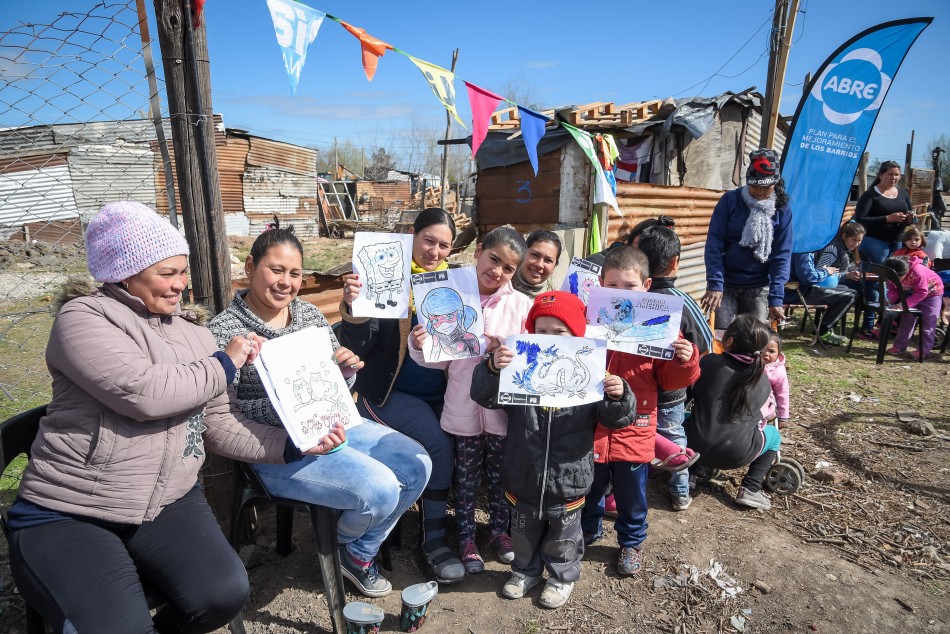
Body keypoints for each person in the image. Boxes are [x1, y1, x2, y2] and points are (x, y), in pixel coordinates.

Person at [6, 201, 342, 633]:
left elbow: (219, 423)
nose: (181, 285)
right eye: (167, 273)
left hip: (164, 501)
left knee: (222, 594)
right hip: (75, 508)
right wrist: (225, 363)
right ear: (123, 272)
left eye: (183, 272)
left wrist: (292, 444)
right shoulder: (83, 319)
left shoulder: (194, 333)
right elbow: (143, 393)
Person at [208, 222, 431, 598]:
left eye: (294, 273)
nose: (285, 282)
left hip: (337, 425)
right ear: (250, 267)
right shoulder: (224, 331)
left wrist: (344, 373)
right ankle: (342, 545)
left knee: (418, 465)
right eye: (275, 269)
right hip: (276, 447)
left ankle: (353, 551)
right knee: (379, 490)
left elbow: (338, 389)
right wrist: (290, 404)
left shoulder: (310, 316)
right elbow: (230, 415)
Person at [470, 291, 635, 609]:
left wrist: (618, 394)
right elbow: (484, 396)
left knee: (565, 538)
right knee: (522, 532)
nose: (549, 339)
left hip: (568, 479)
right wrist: (491, 368)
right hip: (523, 475)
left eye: (559, 333)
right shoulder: (518, 370)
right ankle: (524, 571)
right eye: (541, 332)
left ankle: (561, 578)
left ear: (576, 336)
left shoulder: (590, 375)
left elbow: (615, 419)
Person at [336, 208, 465, 584]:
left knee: (462, 437)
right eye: (428, 240)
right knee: (438, 445)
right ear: (412, 235)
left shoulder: (453, 284)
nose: (435, 251)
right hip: (389, 392)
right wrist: (354, 310)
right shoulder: (387, 277)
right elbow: (359, 343)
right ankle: (434, 542)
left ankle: (440, 520)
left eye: (444, 245)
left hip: (441, 391)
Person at [409, 226, 532, 575]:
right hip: (462, 408)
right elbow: (440, 360)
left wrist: (506, 351)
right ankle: (465, 538)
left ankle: (498, 532)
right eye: (493, 260)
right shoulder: (449, 294)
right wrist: (420, 345)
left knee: (499, 476)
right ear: (479, 251)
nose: (498, 272)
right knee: (464, 478)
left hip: (500, 412)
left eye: (508, 268)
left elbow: (531, 361)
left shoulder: (522, 305)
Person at [581, 246, 700, 575]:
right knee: (589, 486)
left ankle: (631, 542)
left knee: (632, 494)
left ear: (646, 286)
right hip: (592, 426)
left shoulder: (661, 326)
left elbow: (670, 379)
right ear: (600, 284)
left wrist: (685, 358)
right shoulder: (586, 320)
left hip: (637, 428)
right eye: (613, 286)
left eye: (630, 286)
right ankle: (587, 531)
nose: (621, 293)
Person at [637, 225, 712, 510]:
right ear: (675, 262)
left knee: (636, 436)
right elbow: (705, 343)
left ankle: (635, 488)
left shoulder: (628, 299)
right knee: (674, 438)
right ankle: (680, 492)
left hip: (635, 390)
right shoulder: (680, 301)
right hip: (670, 394)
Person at [684, 314, 782, 510]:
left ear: (728, 341)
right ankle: (750, 488)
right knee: (774, 436)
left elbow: (687, 396)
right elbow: (764, 416)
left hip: (692, 446)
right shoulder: (762, 381)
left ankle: (690, 475)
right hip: (738, 454)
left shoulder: (709, 363)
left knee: (691, 418)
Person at [701, 148, 793, 330]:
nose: (759, 192)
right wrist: (715, 284)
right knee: (722, 338)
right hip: (725, 285)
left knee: (754, 342)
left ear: (776, 183)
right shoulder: (730, 201)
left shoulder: (782, 210)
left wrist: (776, 297)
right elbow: (714, 243)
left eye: (766, 187)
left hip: (759, 288)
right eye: (755, 186)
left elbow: (782, 255)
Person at [853, 161, 915, 336]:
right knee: (875, 282)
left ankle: (886, 322)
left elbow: (909, 215)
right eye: (890, 174)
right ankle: (867, 325)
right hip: (874, 242)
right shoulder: (870, 195)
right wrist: (887, 218)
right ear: (881, 175)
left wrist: (909, 219)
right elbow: (861, 219)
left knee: (895, 282)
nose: (894, 178)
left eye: (897, 174)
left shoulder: (902, 194)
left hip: (896, 242)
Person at [786, 251, 857, 347]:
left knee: (845, 289)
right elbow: (809, 277)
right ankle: (823, 331)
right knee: (851, 295)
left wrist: (822, 271)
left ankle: (823, 328)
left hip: (798, 289)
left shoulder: (803, 248)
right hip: (796, 292)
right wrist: (826, 271)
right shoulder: (803, 251)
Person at [882, 256, 945, 360]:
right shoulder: (892, 275)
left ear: (906, 272)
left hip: (932, 294)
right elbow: (893, 289)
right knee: (906, 319)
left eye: (897, 278)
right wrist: (890, 299)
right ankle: (899, 346)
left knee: (928, 322)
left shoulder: (918, 272)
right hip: (910, 294)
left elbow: (922, 292)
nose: (892, 280)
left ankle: (924, 350)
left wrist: (902, 305)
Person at [586, 215, 675, 268]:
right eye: (642, 241)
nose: (645, 248)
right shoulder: (597, 263)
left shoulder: (648, 274)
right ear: (632, 238)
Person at [513, 230, 562, 298]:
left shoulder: (556, 300)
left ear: (555, 266)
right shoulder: (500, 288)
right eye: (535, 255)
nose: (540, 264)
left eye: (548, 260)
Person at [762, 332, 790, 429]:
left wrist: (783, 416)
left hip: (767, 406)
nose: (766, 354)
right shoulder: (751, 363)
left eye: (771, 351)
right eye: (762, 350)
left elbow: (783, 394)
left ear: (778, 354)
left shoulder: (778, 371)